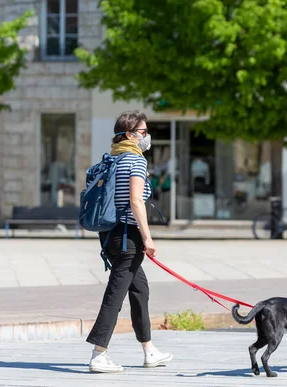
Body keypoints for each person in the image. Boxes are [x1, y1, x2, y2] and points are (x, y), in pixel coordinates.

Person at [86, 111, 172, 373]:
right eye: (143, 132)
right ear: (129, 134)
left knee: (140, 290)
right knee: (116, 292)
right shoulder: (135, 160)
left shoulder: (112, 158)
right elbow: (136, 201)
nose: (147, 137)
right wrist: (148, 237)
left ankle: (149, 350)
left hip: (110, 234)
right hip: (128, 236)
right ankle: (98, 353)